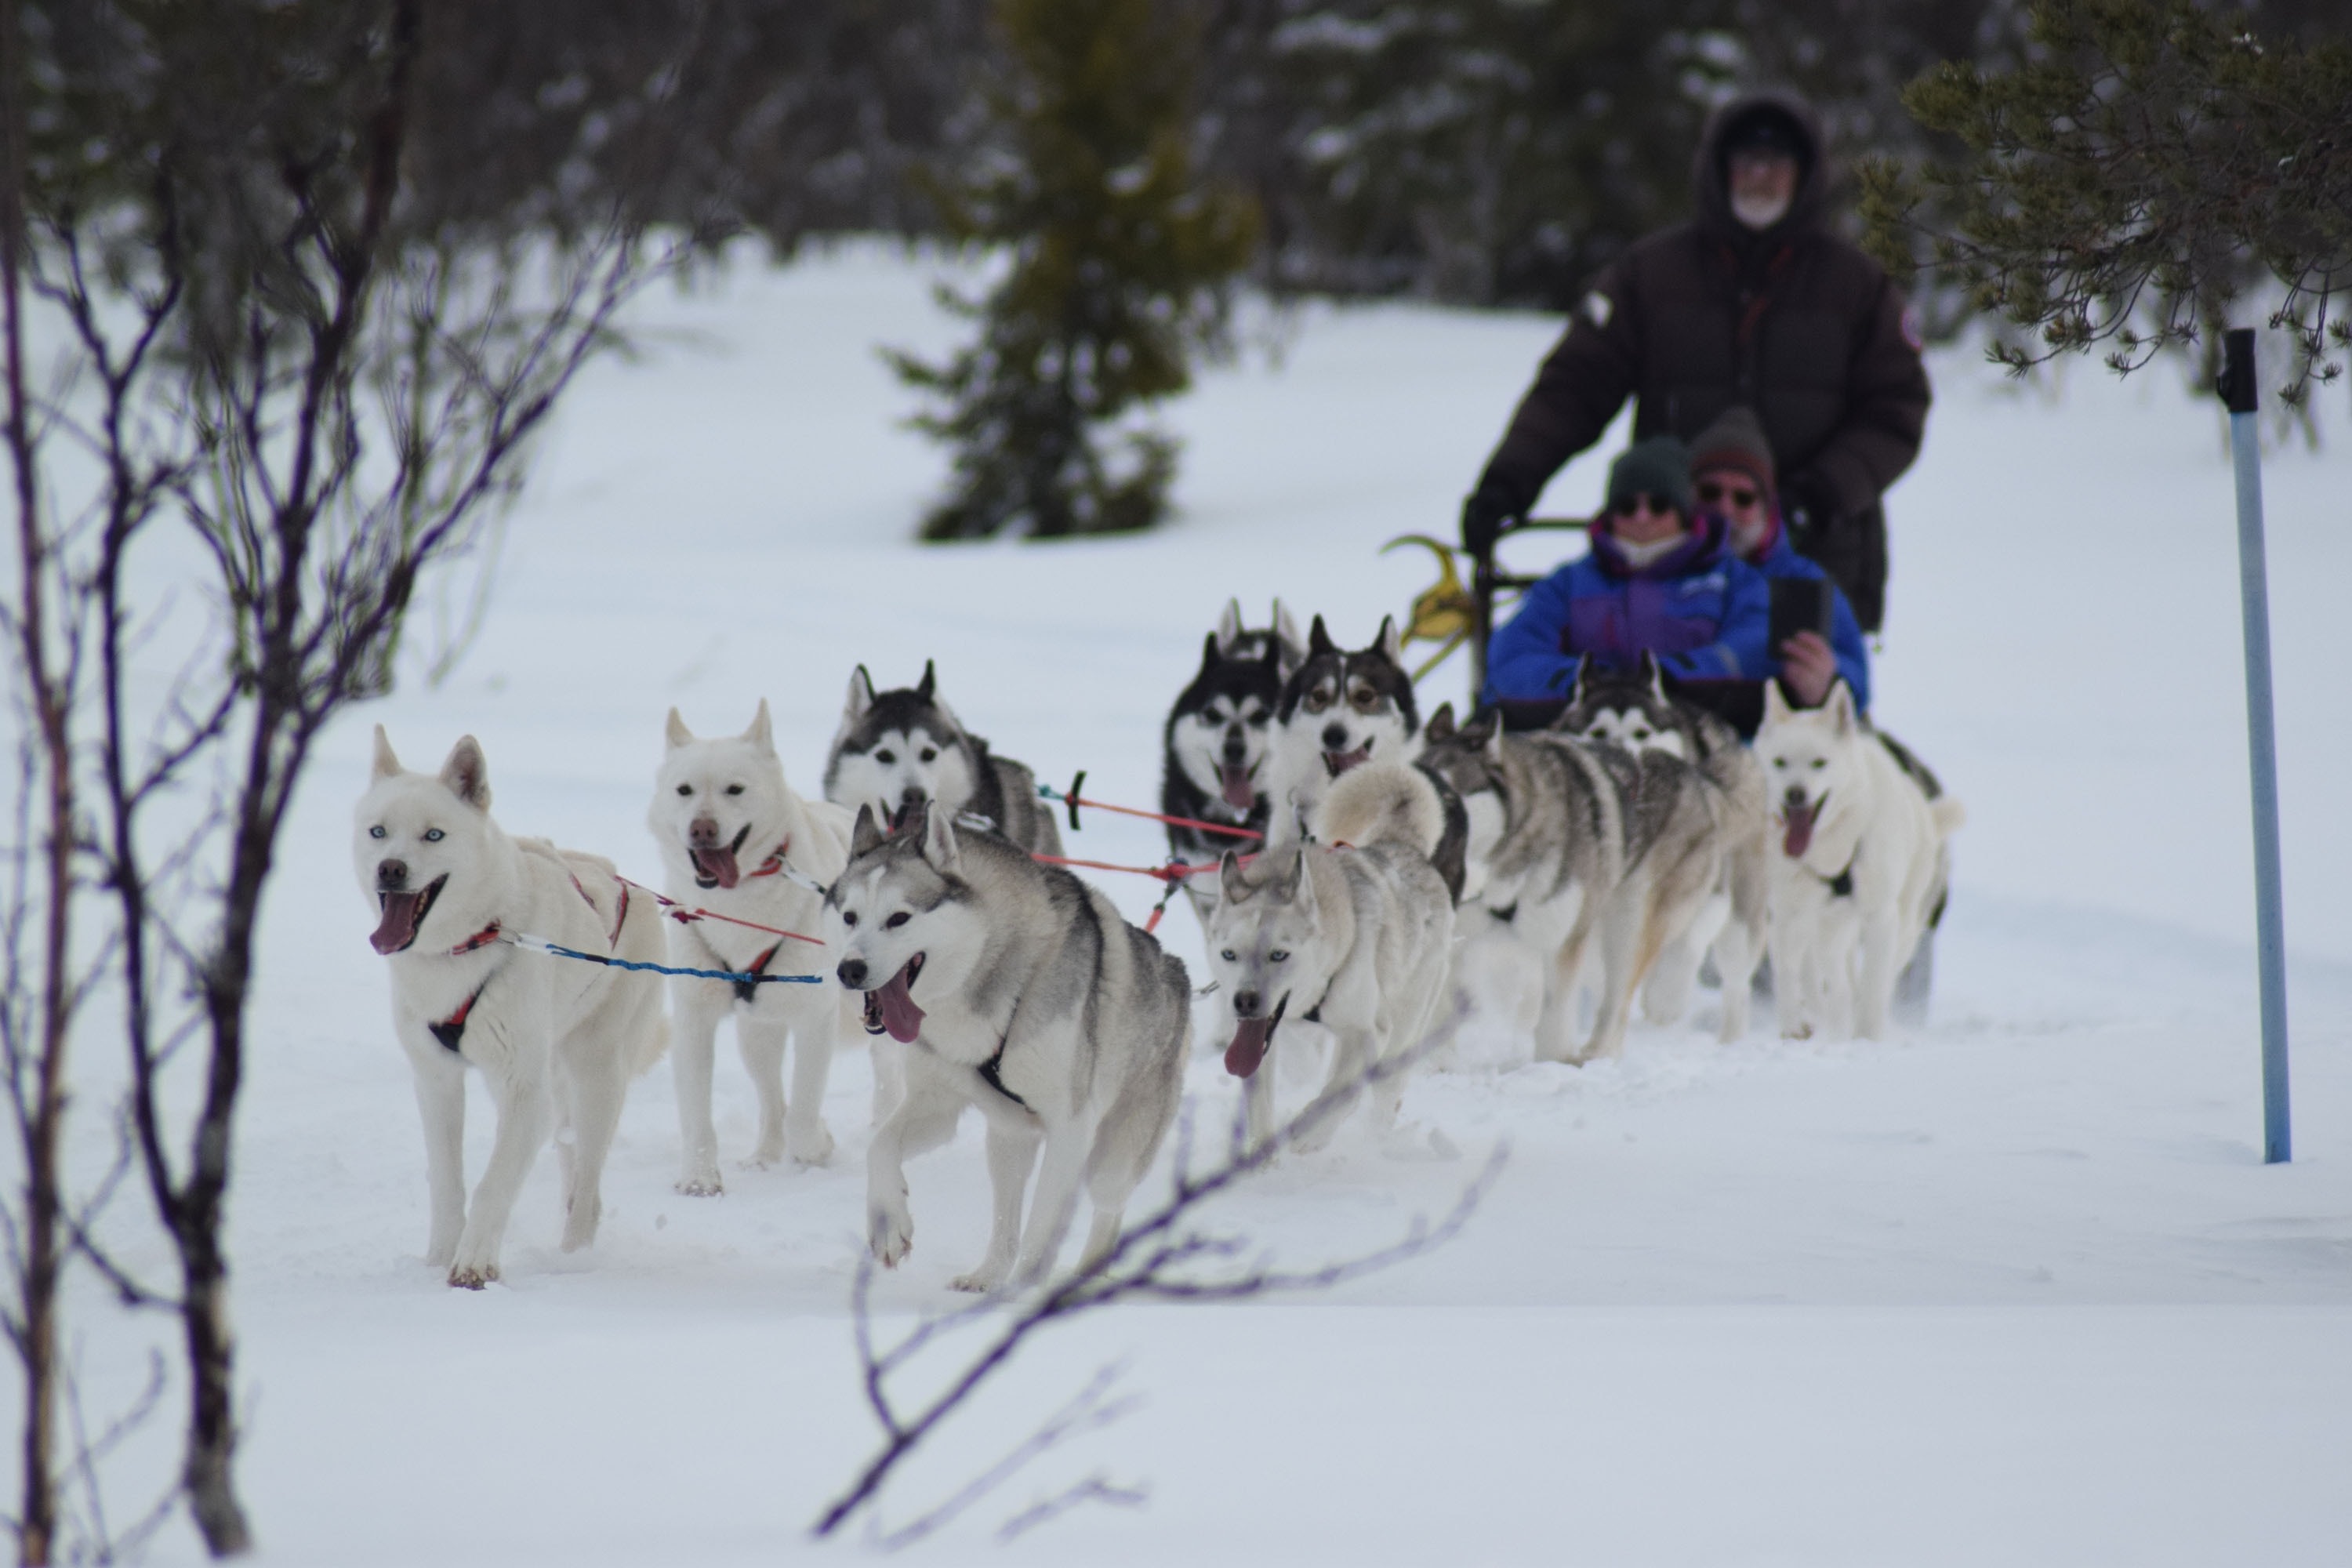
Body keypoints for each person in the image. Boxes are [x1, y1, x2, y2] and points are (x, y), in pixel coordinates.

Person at [1460, 89, 1930, 633]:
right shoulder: (1651, 274)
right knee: (1666, 706)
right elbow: (1575, 387)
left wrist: (1818, 496)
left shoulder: (1856, 284)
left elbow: (1896, 410)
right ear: (1717, 169)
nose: (1761, 176)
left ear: (1806, 174)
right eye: (1746, 161)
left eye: (1777, 162)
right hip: (1667, 552)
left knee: (1803, 708)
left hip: (1814, 555)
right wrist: (1508, 483)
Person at [1482, 436, 1770, 722]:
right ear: (1610, 515)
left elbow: (1753, 647)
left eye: (1658, 505)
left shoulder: (1735, 581)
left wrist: (1669, 677)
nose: (1642, 517)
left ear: (1684, 512)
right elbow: (1514, 656)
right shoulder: (1568, 583)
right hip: (1587, 734)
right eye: (1627, 506)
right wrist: (1584, 681)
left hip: (1698, 735)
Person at [1689, 404, 1870, 712]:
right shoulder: (1653, 569)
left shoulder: (1802, 580)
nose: (1725, 510)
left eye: (1743, 498)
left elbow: (1857, 683)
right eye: (1710, 493)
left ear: (1767, 506)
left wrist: (1827, 681)